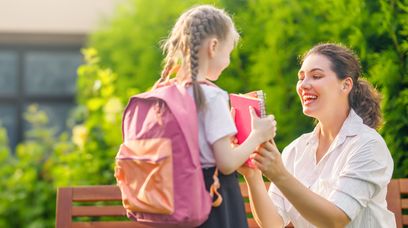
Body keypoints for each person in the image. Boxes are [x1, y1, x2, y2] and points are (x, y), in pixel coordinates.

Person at [240, 43, 395, 227]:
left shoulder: (368, 145)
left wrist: (279, 174)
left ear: (345, 85)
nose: (303, 85)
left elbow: (335, 220)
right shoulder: (296, 150)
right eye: (301, 77)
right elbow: (272, 223)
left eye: (316, 76)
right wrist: (253, 175)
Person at [158, 5, 276, 228]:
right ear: (213, 46)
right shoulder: (211, 96)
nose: (229, 61)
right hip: (213, 203)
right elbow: (227, 164)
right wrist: (258, 136)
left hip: (177, 200)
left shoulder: (167, 92)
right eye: (228, 52)